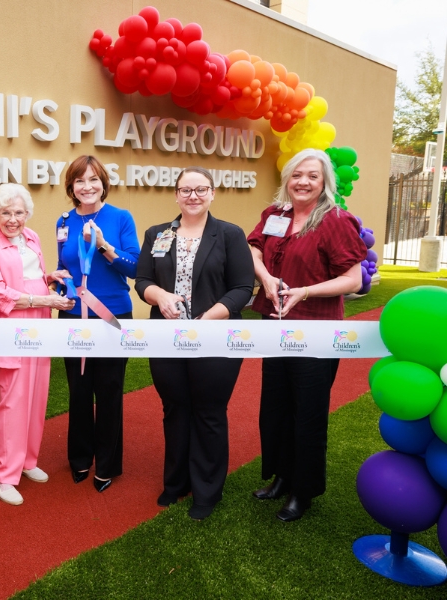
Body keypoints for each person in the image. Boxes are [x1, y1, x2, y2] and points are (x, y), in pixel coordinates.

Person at [248, 148, 365, 522]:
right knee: (277, 405)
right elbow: (252, 249)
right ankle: (282, 476)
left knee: (308, 412)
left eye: (312, 176)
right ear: (287, 179)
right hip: (275, 325)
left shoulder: (336, 220)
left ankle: (304, 490)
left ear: (324, 182)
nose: (303, 182)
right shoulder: (275, 214)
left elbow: (353, 279)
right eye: (297, 174)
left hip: (316, 328)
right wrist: (265, 278)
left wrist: (305, 291)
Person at [134, 167, 254, 520]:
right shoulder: (158, 233)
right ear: (176, 195)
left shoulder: (230, 234)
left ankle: (206, 491)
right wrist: (160, 297)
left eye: (201, 189)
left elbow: (243, 288)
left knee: (208, 412)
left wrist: (207, 319)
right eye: (185, 190)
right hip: (167, 338)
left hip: (214, 337)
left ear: (212, 193)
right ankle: (176, 483)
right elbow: (142, 280)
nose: (193, 196)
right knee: (175, 409)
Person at [0, 183, 75, 505]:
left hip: (40, 326)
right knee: (13, 404)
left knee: (36, 399)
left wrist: (50, 277)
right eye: (6, 212)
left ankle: (27, 461)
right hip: (10, 330)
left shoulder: (32, 237)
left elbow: (30, 275)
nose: (13, 219)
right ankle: (3, 475)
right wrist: (42, 297)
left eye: (19, 212)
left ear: (27, 214)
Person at [54, 155, 140, 493]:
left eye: (93, 180)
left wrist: (104, 245)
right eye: (79, 181)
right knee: (78, 390)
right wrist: (57, 281)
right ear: (71, 187)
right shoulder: (63, 221)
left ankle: (107, 464)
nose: (86, 186)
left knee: (108, 391)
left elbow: (133, 267)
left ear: (103, 183)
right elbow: (64, 265)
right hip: (73, 315)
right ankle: (79, 458)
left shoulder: (120, 217)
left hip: (111, 315)